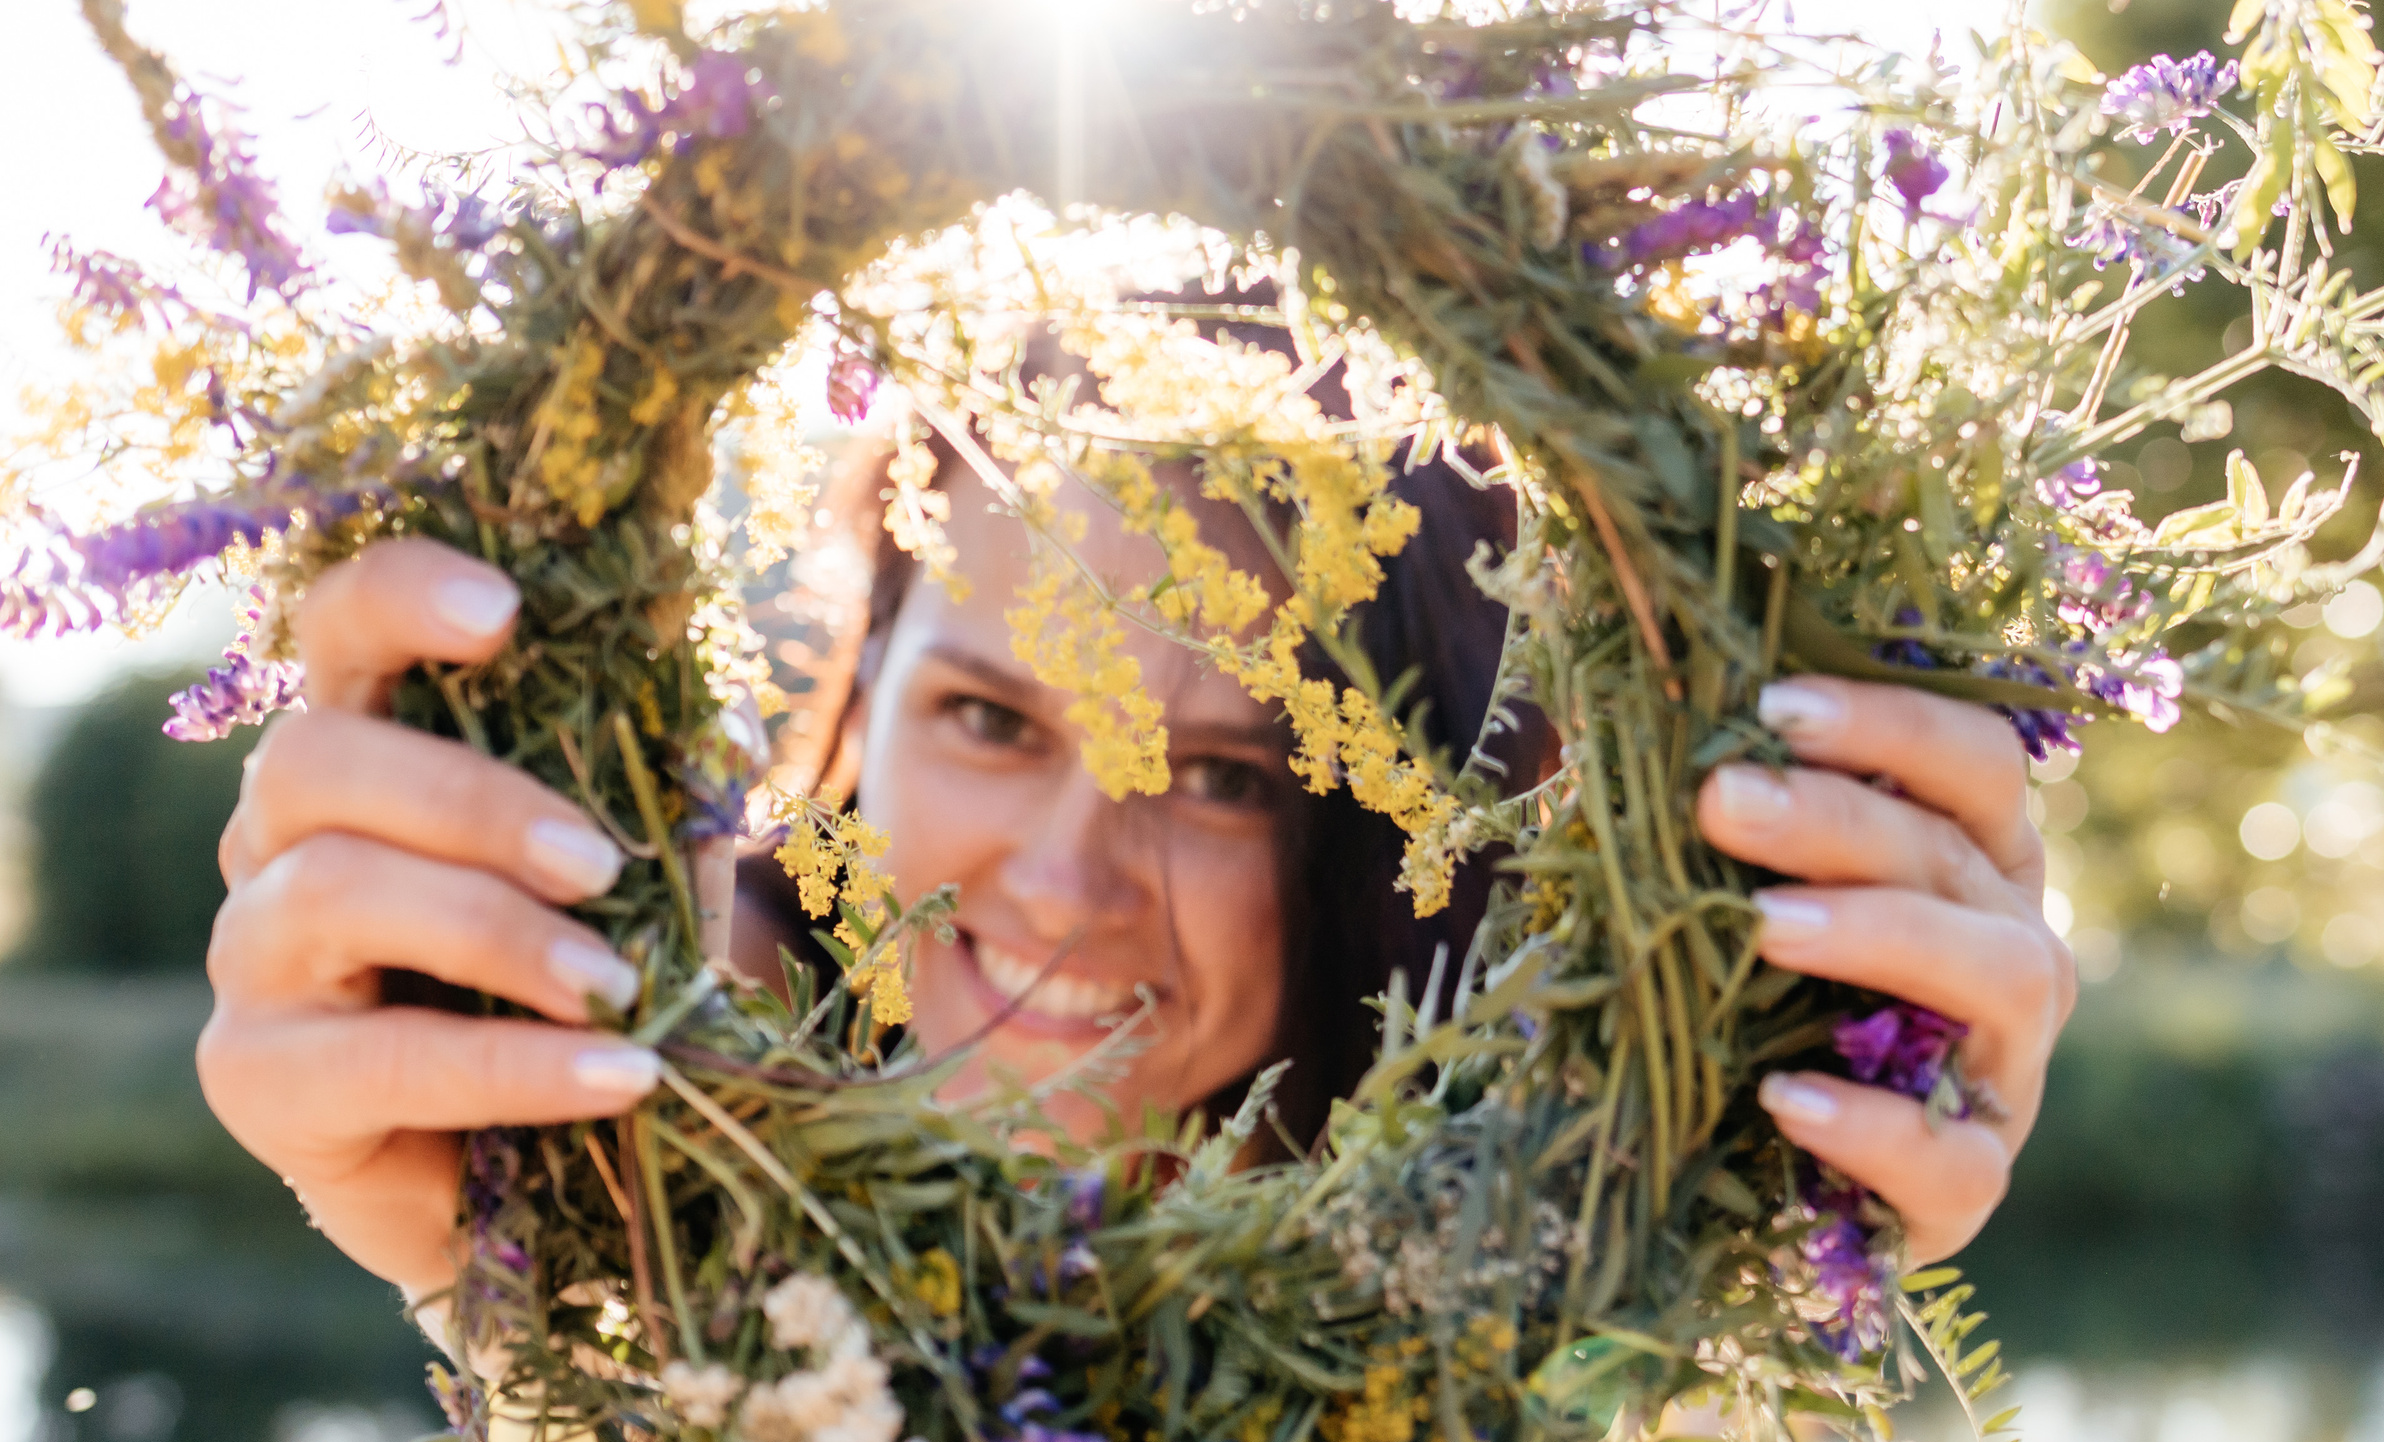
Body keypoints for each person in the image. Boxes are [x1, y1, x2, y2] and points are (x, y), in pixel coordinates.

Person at [196, 365, 2074, 1307]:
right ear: (851, 714)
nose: (1069, 878)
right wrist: (433, 1200)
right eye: (994, 718)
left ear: (1397, 845)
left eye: (1228, 777)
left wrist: (1750, 1193)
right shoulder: (642, 1252)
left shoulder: (1542, 1375)